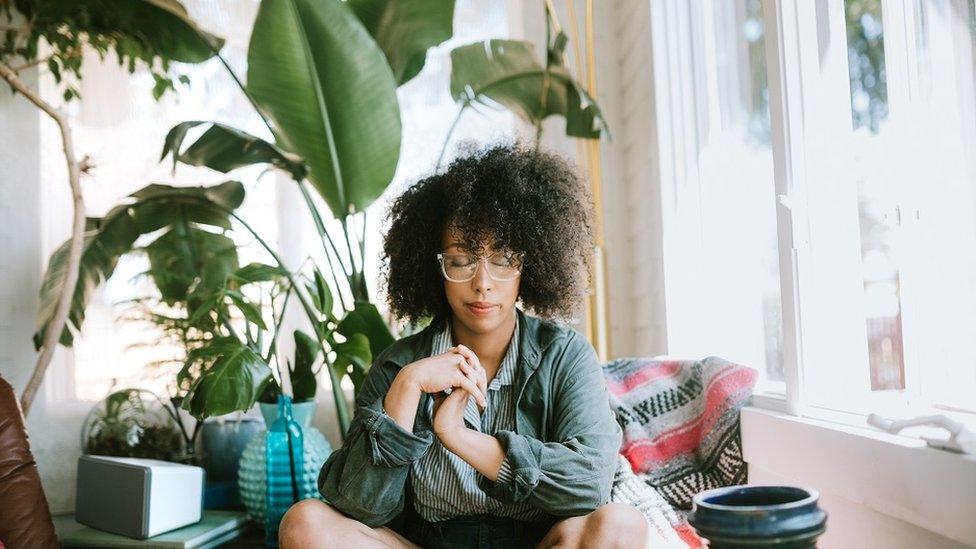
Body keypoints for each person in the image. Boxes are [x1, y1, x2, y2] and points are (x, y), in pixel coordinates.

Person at [279, 142, 647, 548]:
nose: (482, 282)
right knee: (305, 522)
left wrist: (457, 435)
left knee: (622, 525)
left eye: (504, 259)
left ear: (533, 264)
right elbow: (359, 509)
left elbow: (590, 483)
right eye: (460, 260)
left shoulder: (565, 355)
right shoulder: (398, 366)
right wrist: (404, 392)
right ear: (434, 267)